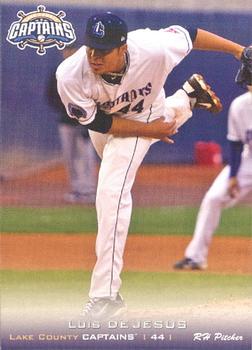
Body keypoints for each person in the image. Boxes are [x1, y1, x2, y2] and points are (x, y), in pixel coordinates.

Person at [56, 11, 249, 319]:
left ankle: (106, 297)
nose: (94, 55)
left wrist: (240, 51)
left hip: (145, 113)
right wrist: (152, 132)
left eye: (103, 49)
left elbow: (191, 32)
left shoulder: (152, 47)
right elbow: (101, 122)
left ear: (123, 47)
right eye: (91, 46)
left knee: (111, 193)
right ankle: (186, 99)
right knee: (117, 163)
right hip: (108, 127)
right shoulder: (70, 74)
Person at [174, 85, 252, 270]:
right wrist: (233, 175)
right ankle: (195, 257)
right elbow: (235, 143)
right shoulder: (240, 106)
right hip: (248, 161)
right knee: (213, 198)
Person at [47, 46, 97, 204]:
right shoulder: (58, 72)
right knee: (70, 156)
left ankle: (88, 189)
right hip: (66, 122)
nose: (69, 53)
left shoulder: (87, 73)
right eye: (67, 51)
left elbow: (95, 96)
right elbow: (50, 96)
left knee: (87, 155)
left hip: (86, 123)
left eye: (72, 50)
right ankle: (76, 189)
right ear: (63, 53)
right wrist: (67, 109)